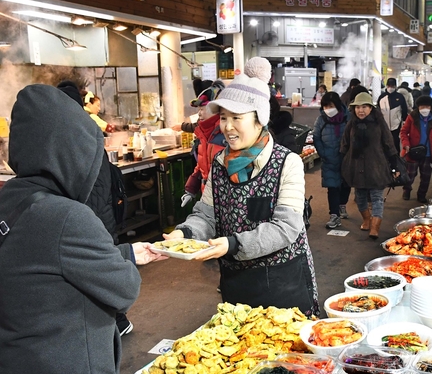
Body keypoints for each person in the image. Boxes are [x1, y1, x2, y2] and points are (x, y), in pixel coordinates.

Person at [0, 84, 161, 374]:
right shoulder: (66, 216)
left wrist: (126, 253)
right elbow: (124, 289)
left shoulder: (7, 200)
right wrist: (124, 263)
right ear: (71, 153)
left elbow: (50, 268)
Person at [155, 57, 319, 317]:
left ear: (259, 120)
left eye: (236, 118)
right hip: (237, 283)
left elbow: (286, 228)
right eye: (223, 117)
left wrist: (232, 244)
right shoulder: (221, 163)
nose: (227, 127)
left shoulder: (287, 163)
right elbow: (206, 214)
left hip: (284, 282)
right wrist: (185, 234)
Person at [60, 80, 136, 336]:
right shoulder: (85, 127)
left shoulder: (69, 132)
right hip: (101, 206)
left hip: (91, 207)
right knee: (104, 260)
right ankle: (116, 320)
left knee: (99, 264)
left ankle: (117, 321)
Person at [340, 92, 399, 239]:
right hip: (356, 167)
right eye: (358, 107)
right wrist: (342, 164)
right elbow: (344, 144)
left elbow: (389, 144)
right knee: (360, 197)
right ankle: (366, 219)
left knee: (377, 197)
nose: (361, 110)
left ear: (371, 108)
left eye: (364, 107)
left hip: (376, 167)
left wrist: (395, 165)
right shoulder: (351, 124)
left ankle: (375, 227)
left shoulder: (379, 123)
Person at [181, 84, 227, 207]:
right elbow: (202, 165)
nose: (199, 114)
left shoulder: (226, 133)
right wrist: (190, 190)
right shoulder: (203, 133)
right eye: (198, 110)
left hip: (226, 198)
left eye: (202, 109)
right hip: (207, 196)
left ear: (215, 109)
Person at [313, 91, 351, 229]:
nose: (328, 109)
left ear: (338, 105)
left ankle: (342, 204)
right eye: (325, 106)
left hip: (346, 159)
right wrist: (322, 153)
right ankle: (334, 216)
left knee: (346, 185)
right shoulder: (321, 120)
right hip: (329, 159)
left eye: (330, 106)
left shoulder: (348, 118)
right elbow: (316, 137)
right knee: (332, 187)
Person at [400, 95, 432, 204]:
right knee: (410, 174)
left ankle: (422, 194)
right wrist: (406, 144)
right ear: (418, 107)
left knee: (426, 176)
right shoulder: (412, 117)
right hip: (412, 150)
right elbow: (403, 132)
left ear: (431, 107)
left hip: (428, 152)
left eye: (427, 106)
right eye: (422, 106)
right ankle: (407, 190)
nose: (425, 109)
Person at [376, 77, 409, 152]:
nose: (390, 88)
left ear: (395, 86)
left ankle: (396, 157)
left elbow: (404, 109)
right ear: (387, 86)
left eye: (392, 86)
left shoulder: (400, 97)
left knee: (395, 141)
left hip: (396, 124)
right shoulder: (382, 97)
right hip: (384, 124)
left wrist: (404, 120)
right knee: (384, 141)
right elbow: (377, 110)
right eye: (389, 86)